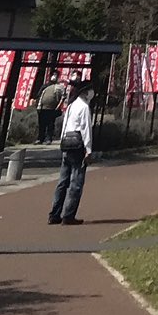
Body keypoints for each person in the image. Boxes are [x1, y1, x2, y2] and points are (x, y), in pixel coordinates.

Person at [48, 80, 94, 225]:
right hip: (78, 146)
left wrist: (62, 141)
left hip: (66, 144)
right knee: (76, 181)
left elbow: (65, 125)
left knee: (63, 181)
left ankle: (55, 213)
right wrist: (88, 150)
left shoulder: (72, 106)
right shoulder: (84, 107)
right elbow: (86, 129)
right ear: (86, 92)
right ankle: (68, 215)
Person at [36, 75, 67, 145]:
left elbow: (63, 97)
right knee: (42, 124)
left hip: (51, 108)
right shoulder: (46, 87)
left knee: (50, 124)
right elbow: (40, 96)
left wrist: (58, 107)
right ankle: (41, 138)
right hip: (43, 108)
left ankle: (48, 138)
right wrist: (39, 106)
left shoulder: (59, 87)